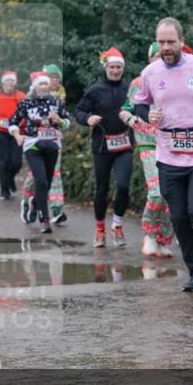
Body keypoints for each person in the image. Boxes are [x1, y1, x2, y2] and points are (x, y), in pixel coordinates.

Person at [130, 17, 193, 292]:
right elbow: (138, 104)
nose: (166, 47)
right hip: (167, 154)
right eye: (161, 42)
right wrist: (147, 114)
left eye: (170, 42)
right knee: (178, 218)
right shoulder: (150, 73)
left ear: (181, 42)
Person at [119, 43, 175, 258]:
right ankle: (150, 235)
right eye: (156, 56)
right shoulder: (139, 82)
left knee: (172, 194)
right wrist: (133, 119)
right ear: (150, 58)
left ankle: (164, 239)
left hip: (171, 142)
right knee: (157, 191)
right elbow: (124, 110)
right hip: (147, 141)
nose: (161, 59)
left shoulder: (175, 79)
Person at [75, 46, 134, 248]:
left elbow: (141, 107)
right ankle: (100, 229)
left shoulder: (130, 89)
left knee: (124, 186)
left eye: (119, 67)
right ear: (106, 68)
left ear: (122, 69)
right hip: (102, 147)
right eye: (112, 67)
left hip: (124, 145)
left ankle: (117, 225)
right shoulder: (95, 90)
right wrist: (88, 118)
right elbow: (80, 111)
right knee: (102, 189)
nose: (116, 71)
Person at [8, 71, 72, 234]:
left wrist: (60, 121)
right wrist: (17, 135)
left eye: (45, 83)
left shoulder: (56, 102)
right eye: (40, 84)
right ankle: (44, 220)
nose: (43, 86)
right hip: (33, 145)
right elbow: (13, 121)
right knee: (41, 181)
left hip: (52, 145)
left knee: (47, 183)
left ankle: (35, 202)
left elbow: (67, 121)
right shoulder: (27, 102)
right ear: (35, 87)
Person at [20, 63, 68, 224]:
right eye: (51, 77)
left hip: (53, 141)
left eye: (57, 78)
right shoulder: (31, 96)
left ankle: (56, 209)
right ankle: (27, 202)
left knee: (55, 174)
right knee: (34, 177)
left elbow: (64, 118)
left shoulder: (60, 94)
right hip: (35, 143)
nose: (55, 81)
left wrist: (60, 123)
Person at [0, 70, 26, 200]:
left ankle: (10, 178)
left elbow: (27, 113)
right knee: (4, 161)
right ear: (3, 82)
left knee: (17, 162)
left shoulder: (21, 96)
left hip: (18, 132)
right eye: (7, 81)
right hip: (0, 132)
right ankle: (4, 190)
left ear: (15, 83)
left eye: (12, 81)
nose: (9, 83)